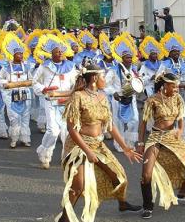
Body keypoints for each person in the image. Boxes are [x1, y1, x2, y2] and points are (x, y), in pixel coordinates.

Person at [56, 63, 143, 222]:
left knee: (118, 176)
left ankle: (122, 203)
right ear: (94, 78)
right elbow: (71, 129)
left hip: (98, 144)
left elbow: (110, 125)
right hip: (79, 145)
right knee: (78, 186)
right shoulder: (78, 96)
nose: (105, 80)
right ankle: (64, 218)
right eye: (103, 76)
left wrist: (125, 148)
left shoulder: (102, 97)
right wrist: (87, 151)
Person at [137, 72, 185, 219]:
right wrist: (140, 142)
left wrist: (179, 130)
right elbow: (143, 124)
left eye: (178, 86)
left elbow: (180, 119)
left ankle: (183, 193)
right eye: (174, 86)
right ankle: (147, 206)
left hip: (171, 137)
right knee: (146, 175)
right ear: (165, 85)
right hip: (155, 138)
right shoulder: (152, 100)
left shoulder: (178, 98)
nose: (177, 89)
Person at [33, 34, 77, 169]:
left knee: (66, 132)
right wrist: (44, 89)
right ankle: (44, 155)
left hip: (67, 103)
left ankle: (67, 157)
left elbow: (75, 83)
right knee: (53, 131)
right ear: (50, 53)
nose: (59, 53)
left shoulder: (70, 67)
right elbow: (35, 82)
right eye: (56, 51)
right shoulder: (44, 67)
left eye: (61, 51)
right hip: (51, 102)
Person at [104, 33, 141, 152]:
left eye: (131, 57)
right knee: (118, 122)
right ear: (121, 59)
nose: (130, 60)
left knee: (134, 120)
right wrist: (113, 92)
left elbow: (138, 83)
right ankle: (119, 144)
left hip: (131, 99)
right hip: (118, 99)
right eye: (127, 58)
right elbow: (105, 84)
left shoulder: (134, 70)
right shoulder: (113, 70)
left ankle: (129, 143)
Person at [0, 33, 33, 148]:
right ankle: (14, 139)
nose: (21, 56)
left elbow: (32, 79)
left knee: (25, 118)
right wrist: (6, 84)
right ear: (13, 55)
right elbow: (0, 78)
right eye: (18, 54)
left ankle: (25, 139)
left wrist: (27, 83)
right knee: (14, 119)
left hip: (24, 96)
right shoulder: (6, 67)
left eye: (22, 53)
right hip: (11, 97)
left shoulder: (27, 67)